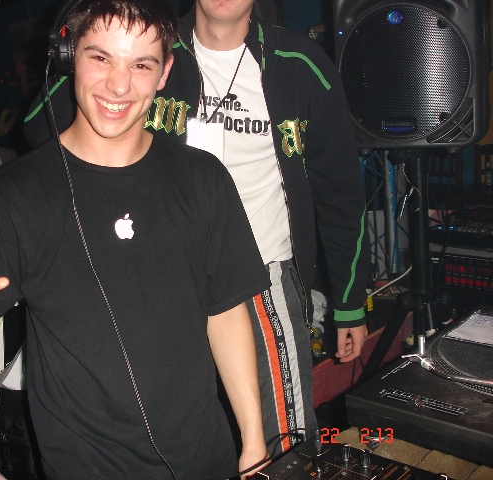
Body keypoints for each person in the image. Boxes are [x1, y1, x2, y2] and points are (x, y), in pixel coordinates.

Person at [0, 0, 271, 478]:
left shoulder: (204, 178)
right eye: (101, 58)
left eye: (141, 65)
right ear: (69, 57)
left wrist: (253, 442)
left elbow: (227, 312)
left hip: (207, 460)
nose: (119, 85)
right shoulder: (11, 197)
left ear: (164, 72)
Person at [24, 0, 371, 454]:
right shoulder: (148, 52)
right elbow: (38, 129)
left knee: (282, 443)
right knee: (175, 431)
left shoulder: (301, 65)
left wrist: (350, 302)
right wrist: (82, 51)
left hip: (260, 280)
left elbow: (340, 193)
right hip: (157, 279)